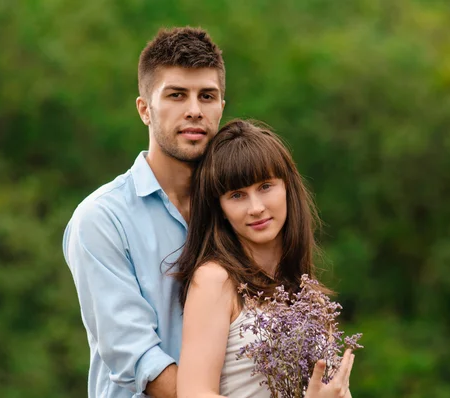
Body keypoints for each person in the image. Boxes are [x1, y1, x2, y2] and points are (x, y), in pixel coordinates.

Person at [62, 26, 226, 398]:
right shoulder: (101, 219)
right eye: (176, 95)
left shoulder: (237, 209)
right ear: (144, 109)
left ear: (221, 107)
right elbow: (136, 357)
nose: (194, 110)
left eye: (207, 96)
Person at [173, 119, 355, 397]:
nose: (256, 208)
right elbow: (194, 392)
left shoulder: (311, 298)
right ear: (219, 208)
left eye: (266, 186)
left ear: (287, 187)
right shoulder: (215, 280)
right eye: (237, 195)